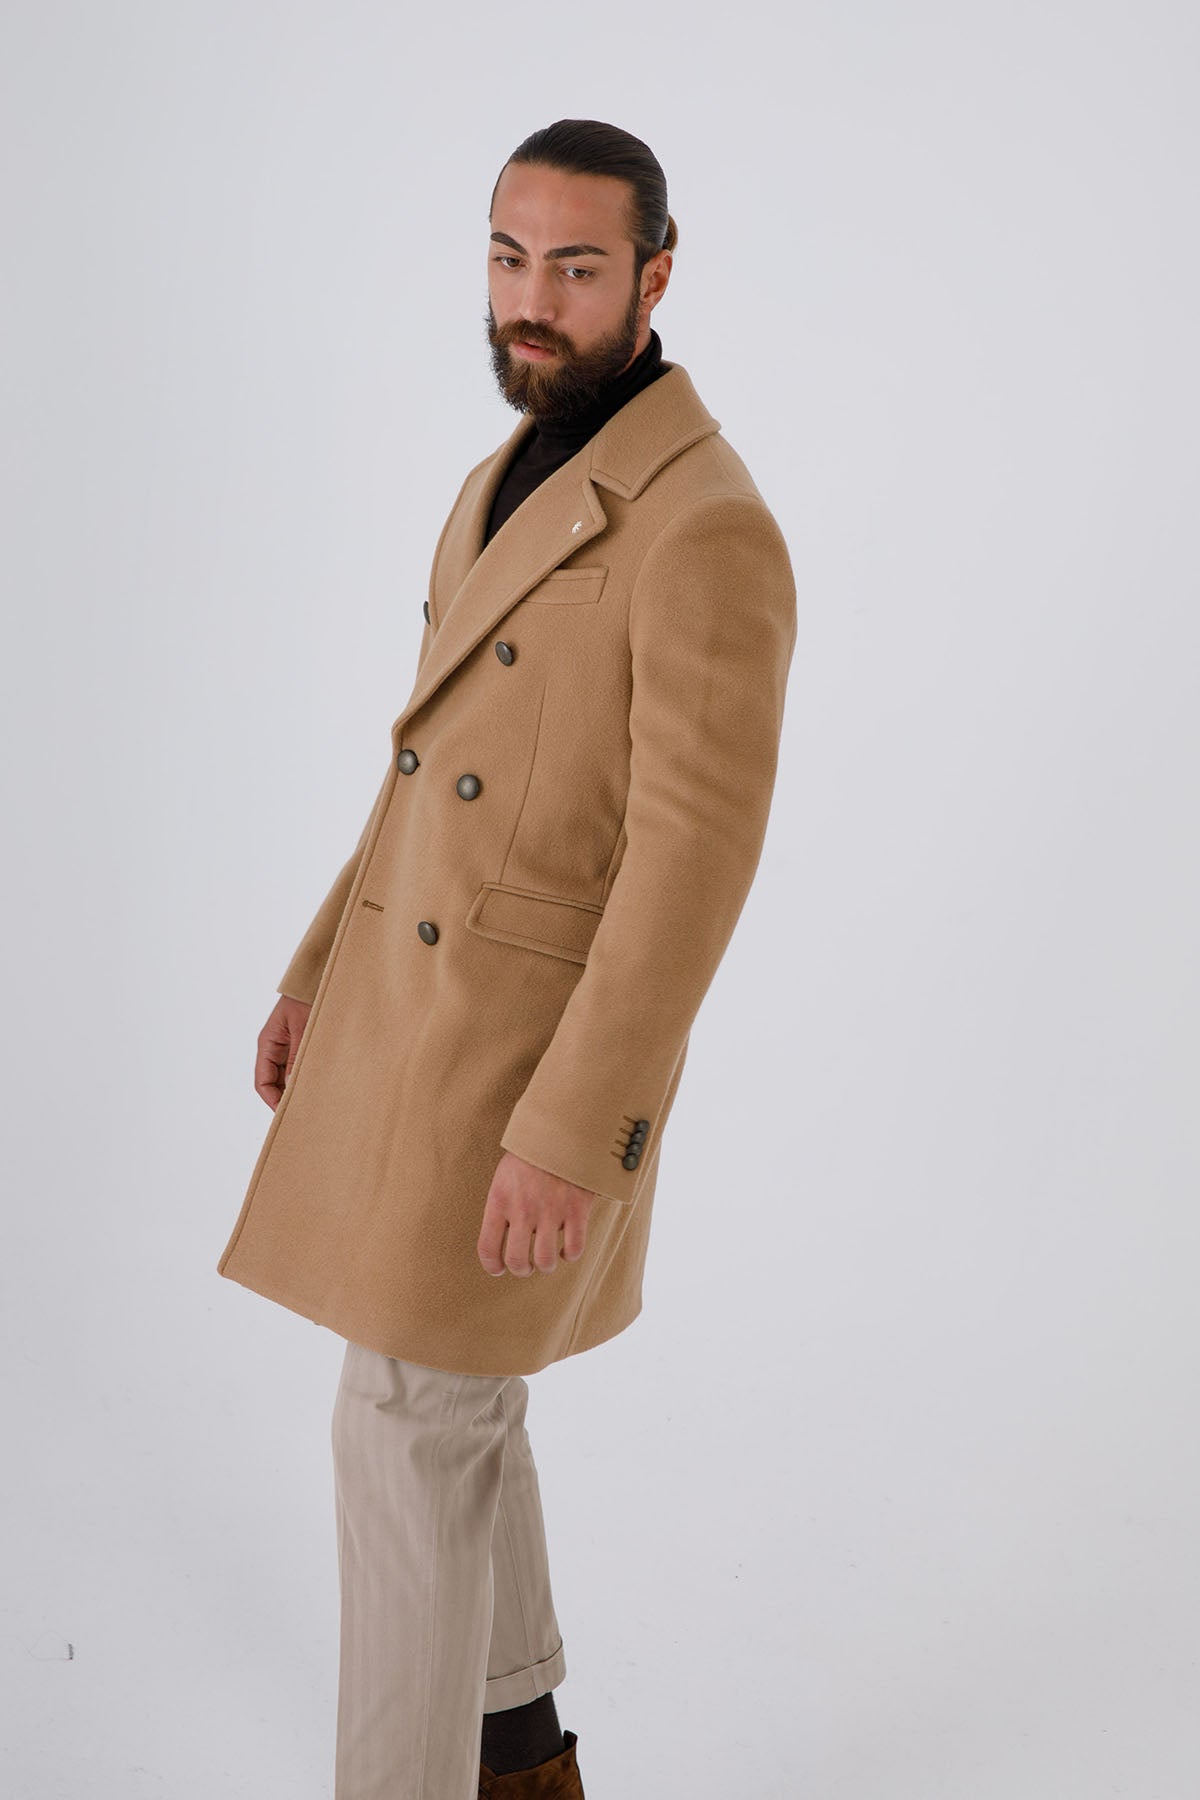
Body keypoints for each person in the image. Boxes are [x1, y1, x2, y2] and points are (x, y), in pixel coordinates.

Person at [218, 118, 797, 1800]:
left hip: (524, 1061)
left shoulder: (708, 527)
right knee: (449, 1404)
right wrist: (318, 970)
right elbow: (421, 768)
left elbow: (694, 869)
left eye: (577, 267)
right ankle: (522, 1760)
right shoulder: (506, 472)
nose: (530, 300)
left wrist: (577, 1131)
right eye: (507, 256)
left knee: (406, 1417)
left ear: (657, 277)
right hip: (413, 1019)